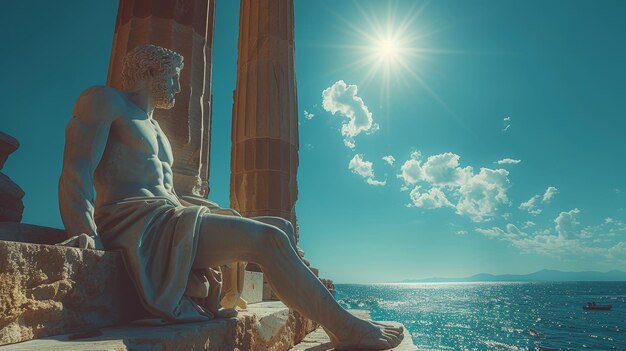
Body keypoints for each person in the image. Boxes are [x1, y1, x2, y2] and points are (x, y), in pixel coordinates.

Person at [59, 44, 403, 350]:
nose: (179, 87)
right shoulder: (105, 100)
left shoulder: (155, 127)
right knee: (267, 238)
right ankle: (344, 327)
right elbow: (77, 165)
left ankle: (317, 305)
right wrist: (83, 227)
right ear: (151, 71)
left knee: (279, 223)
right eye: (175, 77)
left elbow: (163, 188)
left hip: (168, 218)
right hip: (135, 223)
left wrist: (205, 208)